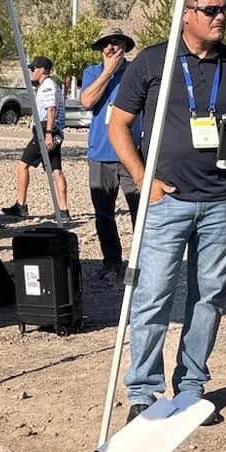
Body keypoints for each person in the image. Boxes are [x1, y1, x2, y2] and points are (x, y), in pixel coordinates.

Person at [107, 0, 226, 423]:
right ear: (187, 14)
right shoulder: (153, 62)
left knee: (208, 297)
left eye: (224, 10)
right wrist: (144, 180)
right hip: (166, 200)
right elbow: (117, 125)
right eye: (211, 10)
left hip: (221, 200)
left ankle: (192, 387)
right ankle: (142, 390)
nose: (220, 18)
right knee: (153, 294)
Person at [79, 31, 139, 281]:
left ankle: (141, 263)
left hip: (132, 153)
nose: (111, 47)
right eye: (105, 44)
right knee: (104, 213)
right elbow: (86, 101)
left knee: (139, 210)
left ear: (124, 45)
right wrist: (108, 72)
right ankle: (111, 261)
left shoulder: (137, 71)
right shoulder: (93, 72)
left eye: (115, 42)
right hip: (100, 154)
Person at [1, 55, 70, 219]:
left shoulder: (47, 86)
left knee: (22, 165)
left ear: (42, 70)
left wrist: (47, 134)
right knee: (56, 170)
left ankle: (21, 205)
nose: (31, 72)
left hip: (45, 130)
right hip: (52, 131)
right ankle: (64, 210)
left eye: (33, 69)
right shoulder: (48, 86)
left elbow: (51, 110)